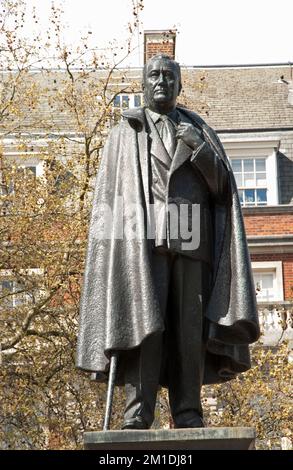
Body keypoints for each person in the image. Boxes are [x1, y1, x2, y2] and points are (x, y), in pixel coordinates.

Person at [76, 54, 260, 430]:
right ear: (143, 85)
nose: (160, 81)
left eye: (168, 76)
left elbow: (223, 190)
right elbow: (110, 200)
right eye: (153, 75)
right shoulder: (124, 134)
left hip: (194, 244)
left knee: (189, 332)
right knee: (145, 325)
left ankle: (189, 413)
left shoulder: (201, 131)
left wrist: (200, 151)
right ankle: (137, 415)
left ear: (179, 85)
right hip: (140, 244)